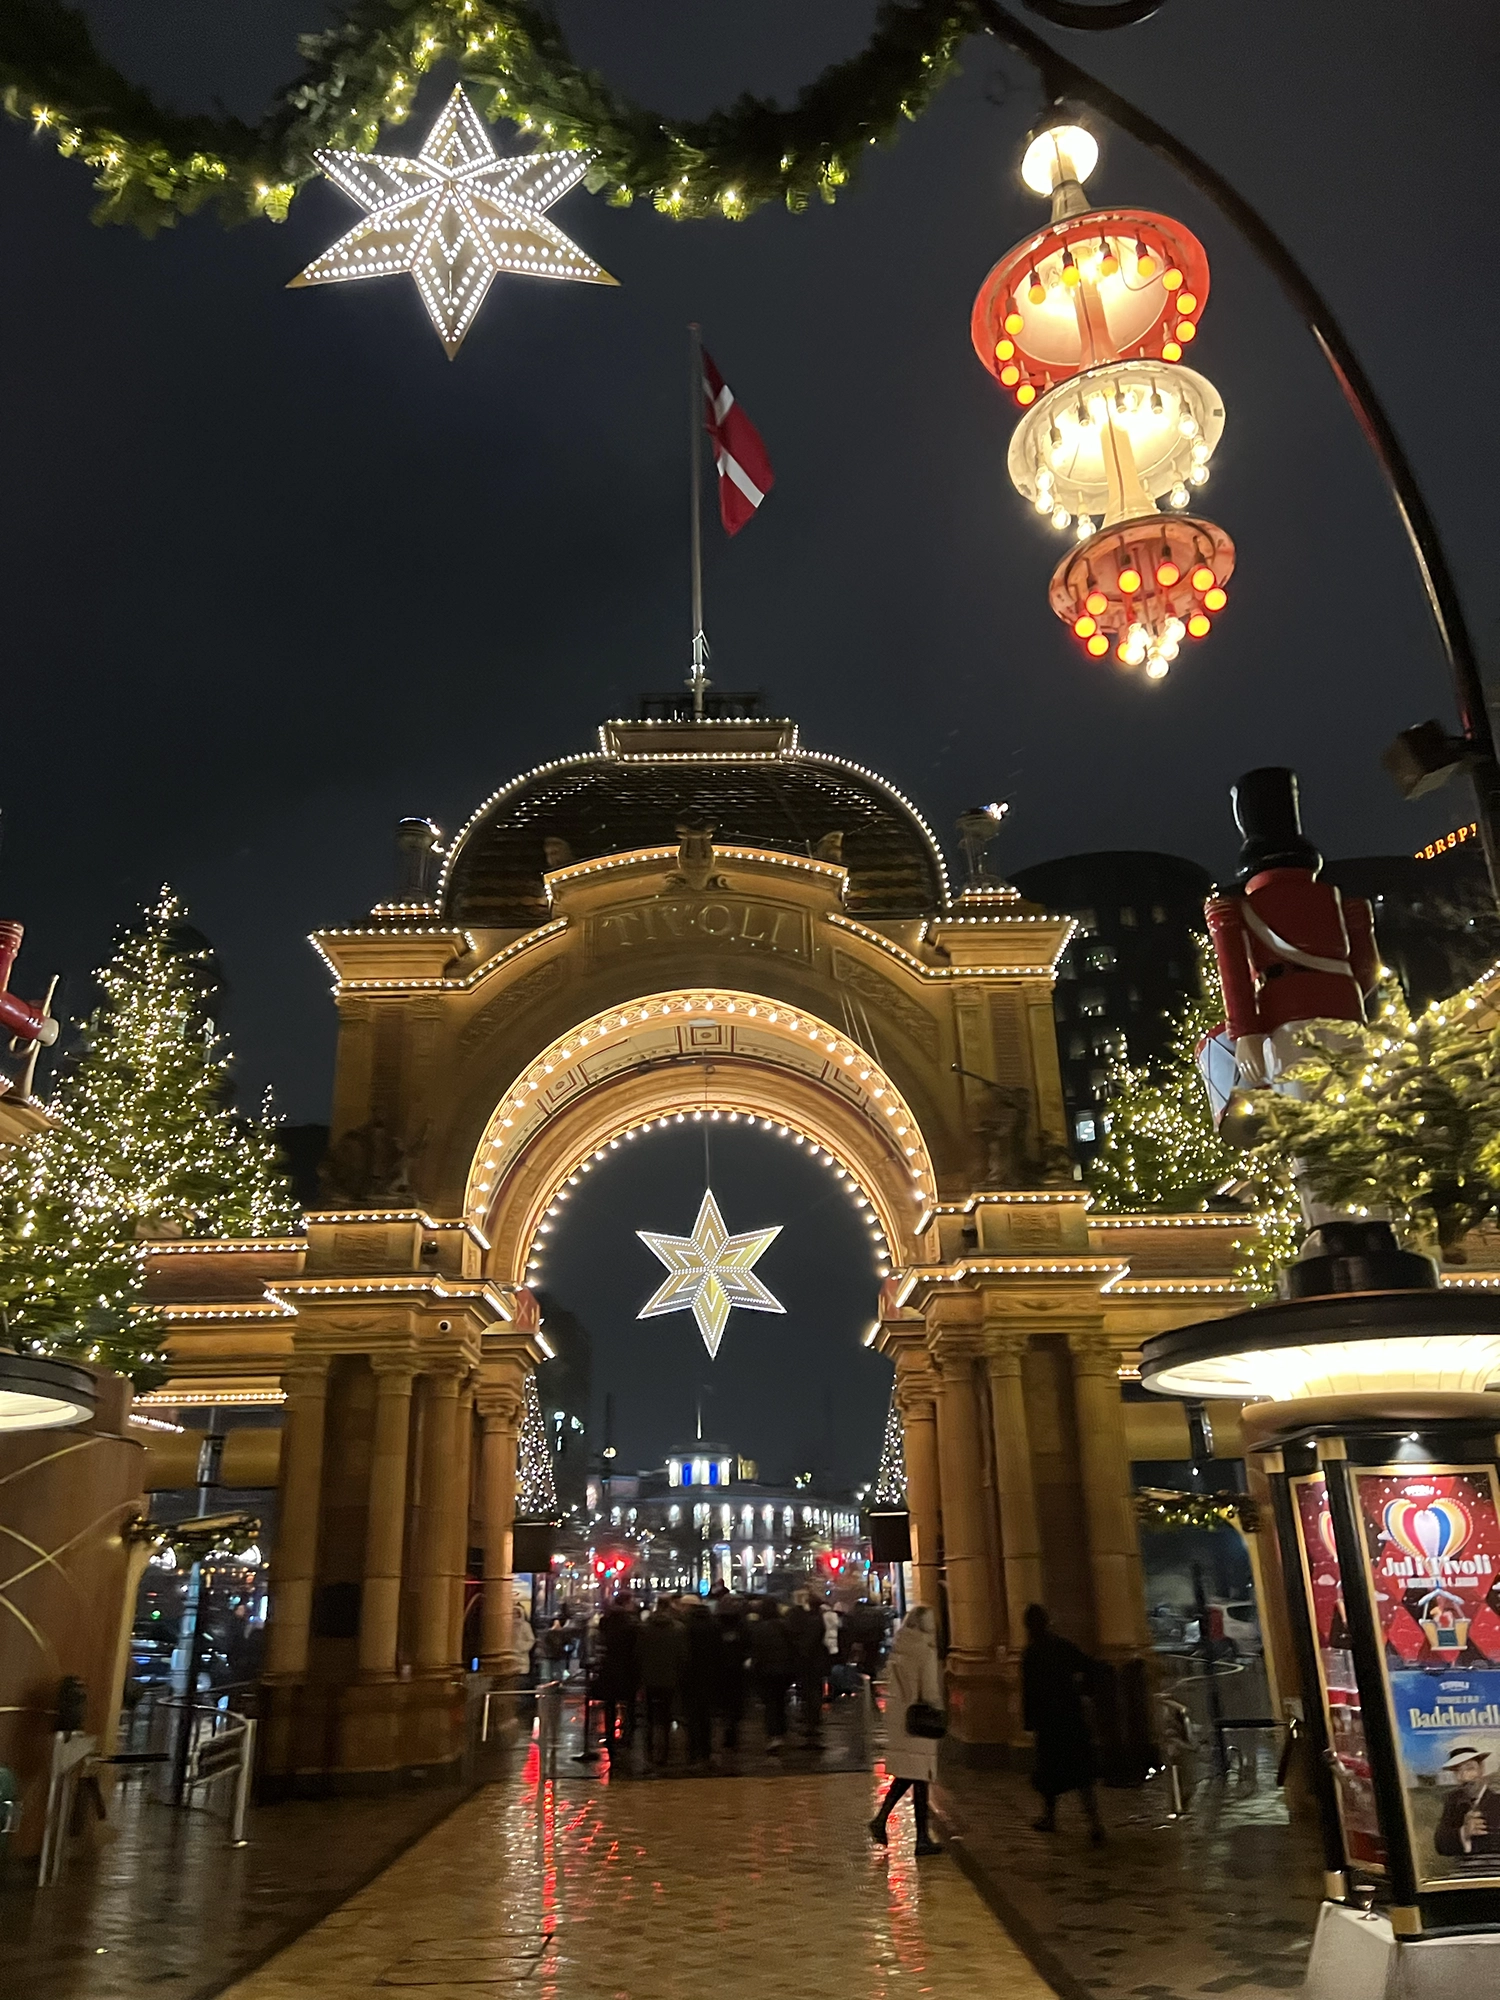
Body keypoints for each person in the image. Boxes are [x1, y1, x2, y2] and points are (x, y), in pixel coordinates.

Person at [1022, 1603, 1104, 1844]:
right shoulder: (1061, 1646)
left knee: (1050, 1773)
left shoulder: (1032, 1653)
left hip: (1049, 1722)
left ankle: (1050, 1817)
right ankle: (1094, 1823)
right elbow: (1090, 1666)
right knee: (1081, 1776)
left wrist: (1029, 1721)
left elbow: (1029, 1691)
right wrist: (1082, 1691)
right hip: (1070, 1717)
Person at [869, 1604, 943, 1856]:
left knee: (910, 1775)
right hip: (919, 1720)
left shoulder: (900, 1648)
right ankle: (920, 1837)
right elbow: (930, 1692)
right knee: (918, 1776)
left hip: (901, 1718)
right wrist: (939, 1708)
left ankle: (885, 1821)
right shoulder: (925, 1651)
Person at [637, 1598, 686, 1767]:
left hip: (649, 1677)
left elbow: (638, 1654)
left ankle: (648, 1751)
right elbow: (683, 1656)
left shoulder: (644, 1628)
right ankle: (664, 1754)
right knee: (666, 1717)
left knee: (649, 1716)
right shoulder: (678, 1629)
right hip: (670, 1678)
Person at [595, 1591, 640, 1760]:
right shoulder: (632, 1623)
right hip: (628, 1669)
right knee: (629, 1705)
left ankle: (610, 1737)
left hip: (609, 1668)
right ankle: (627, 1737)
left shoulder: (605, 1621)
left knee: (610, 1706)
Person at [1434, 1745, 1500, 1860]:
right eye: (1457, 1771)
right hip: (1463, 1873)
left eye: (1469, 1768)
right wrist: (1464, 1832)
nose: (1464, 1777)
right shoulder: (1453, 1801)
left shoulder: (1497, 1800)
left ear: (1482, 1769)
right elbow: (1440, 1844)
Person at [748, 1596, 794, 1750]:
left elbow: (756, 1651)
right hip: (784, 1669)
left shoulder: (759, 1628)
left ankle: (773, 1734)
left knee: (770, 1703)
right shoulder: (785, 1626)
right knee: (781, 1701)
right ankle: (782, 1731)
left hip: (766, 1670)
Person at [680, 1594, 718, 1767]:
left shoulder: (686, 1626)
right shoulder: (713, 1624)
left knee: (692, 1716)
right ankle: (706, 1752)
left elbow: (683, 1653)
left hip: (690, 1676)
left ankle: (693, 1753)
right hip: (709, 1676)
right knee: (706, 1717)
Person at [785, 1590, 826, 1745]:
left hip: (808, 1661)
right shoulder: (817, 1617)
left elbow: (803, 1640)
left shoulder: (804, 1618)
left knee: (810, 1692)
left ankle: (811, 1723)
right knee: (813, 1691)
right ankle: (812, 1721)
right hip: (815, 1661)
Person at [712, 1591, 750, 1752]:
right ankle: (732, 1730)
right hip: (737, 1669)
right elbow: (747, 1645)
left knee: (724, 1703)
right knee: (735, 1703)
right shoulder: (742, 1625)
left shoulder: (716, 1625)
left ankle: (728, 1728)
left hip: (720, 1669)